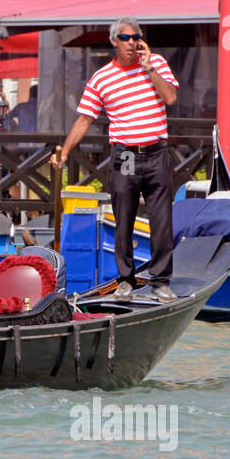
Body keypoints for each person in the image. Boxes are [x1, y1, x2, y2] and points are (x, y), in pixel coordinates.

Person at [50, 17, 178, 304]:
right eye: (125, 38)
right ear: (114, 42)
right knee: (123, 218)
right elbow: (85, 119)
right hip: (127, 155)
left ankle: (161, 281)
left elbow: (170, 98)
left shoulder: (156, 64)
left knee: (162, 220)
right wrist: (66, 151)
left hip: (156, 151)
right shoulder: (102, 79)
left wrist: (150, 70)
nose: (132, 42)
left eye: (136, 37)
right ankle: (125, 280)